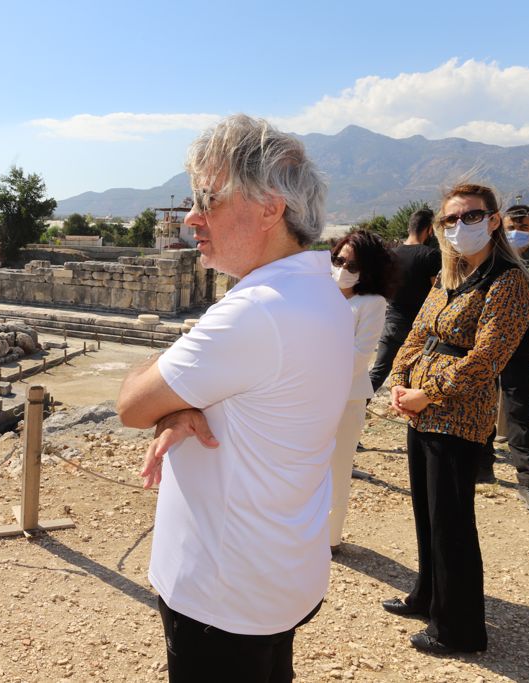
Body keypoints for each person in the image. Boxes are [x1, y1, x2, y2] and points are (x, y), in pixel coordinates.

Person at [117, 114, 353, 682]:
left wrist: (173, 396)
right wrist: (185, 397)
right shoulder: (318, 292)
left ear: (270, 207)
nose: (192, 217)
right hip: (277, 571)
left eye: (209, 199)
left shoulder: (256, 311)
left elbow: (130, 404)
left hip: (220, 593)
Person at [383, 183, 529, 655]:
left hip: (458, 415)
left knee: (452, 522)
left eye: (470, 216)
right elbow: (419, 331)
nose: (459, 227)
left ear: (492, 219)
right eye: (450, 220)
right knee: (427, 512)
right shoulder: (450, 274)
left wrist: (429, 393)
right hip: (421, 410)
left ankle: (459, 629)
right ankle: (429, 595)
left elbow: (488, 358)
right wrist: (400, 381)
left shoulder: (507, 281)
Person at [476, 204, 529, 512]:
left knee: (520, 415)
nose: (517, 232)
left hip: (519, 348)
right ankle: (482, 468)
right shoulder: (487, 261)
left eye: (524, 226)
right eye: (512, 225)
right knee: (482, 405)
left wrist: (499, 302)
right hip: (483, 345)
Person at [328, 230, 395, 553]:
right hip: (307, 395)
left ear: (367, 270)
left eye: (352, 265)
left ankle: (329, 538)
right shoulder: (321, 293)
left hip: (345, 397)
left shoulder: (371, 303)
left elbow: (359, 356)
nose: (342, 268)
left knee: (337, 467)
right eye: (338, 260)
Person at [368, 208, 440, 392]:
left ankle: (350, 412)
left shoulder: (391, 255)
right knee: (417, 378)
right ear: (430, 230)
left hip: (392, 322)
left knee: (377, 374)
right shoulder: (430, 255)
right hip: (418, 329)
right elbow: (436, 294)